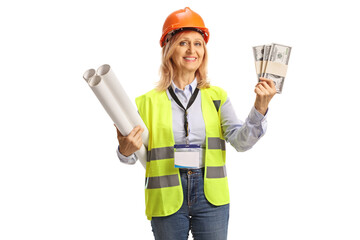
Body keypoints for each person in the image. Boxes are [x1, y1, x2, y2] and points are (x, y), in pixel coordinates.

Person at [115, 7, 276, 240]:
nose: (192, 50)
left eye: (198, 43)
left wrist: (260, 108)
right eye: (183, 43)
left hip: (210, 195)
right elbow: (129, 154)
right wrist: (124, 150)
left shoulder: (217, 96)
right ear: (169, 48)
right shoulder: (146, 102)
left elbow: (241, 143)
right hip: (166, 196)